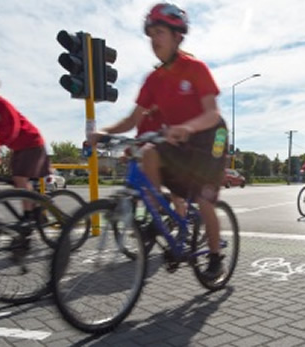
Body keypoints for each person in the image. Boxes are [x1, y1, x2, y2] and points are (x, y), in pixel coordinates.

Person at [89, 3, 228, 279]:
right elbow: (132, 120)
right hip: (181, 138)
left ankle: (215, 257)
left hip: (213, 135)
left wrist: (186, 127)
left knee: (204, 199)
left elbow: (213, 113)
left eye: (160, 32)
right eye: (151, 34)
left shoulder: (195, 68)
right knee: (150, 152)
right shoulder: (153, 79)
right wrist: (104, 132)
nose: (154, 40)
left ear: (178, 36)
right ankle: (156, 217)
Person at [0, 68, 50, 219]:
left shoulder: (2, 104)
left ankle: (29, 215)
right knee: (16, 181)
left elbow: (14, 128)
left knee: (20, 178)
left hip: (32, 142)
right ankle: (36, 206)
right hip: (18, 147)